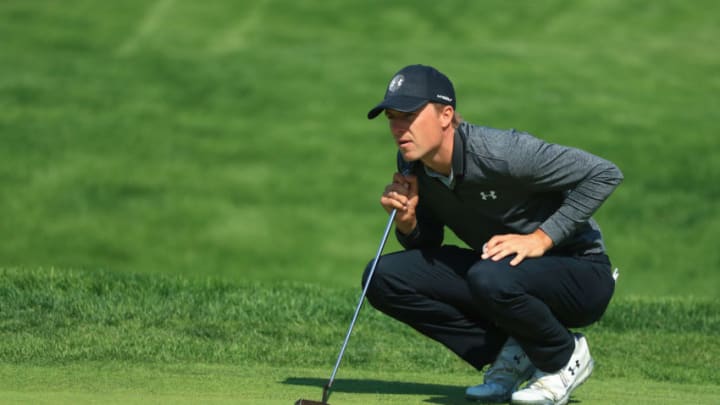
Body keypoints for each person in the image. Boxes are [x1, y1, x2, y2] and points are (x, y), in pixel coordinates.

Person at [362, 64, 623, 405]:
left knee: (489, 275)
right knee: (382, 278)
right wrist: (409, 221)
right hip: (501, 273)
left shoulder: (502, 152)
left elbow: (604, 174)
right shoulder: (413, 163)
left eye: (409, 115)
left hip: (580, 274)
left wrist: (539, 239)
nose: (399, 128)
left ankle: (562, 356)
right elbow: (427, 246)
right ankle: (514, 352)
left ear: (446, 115)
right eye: (392, 117)